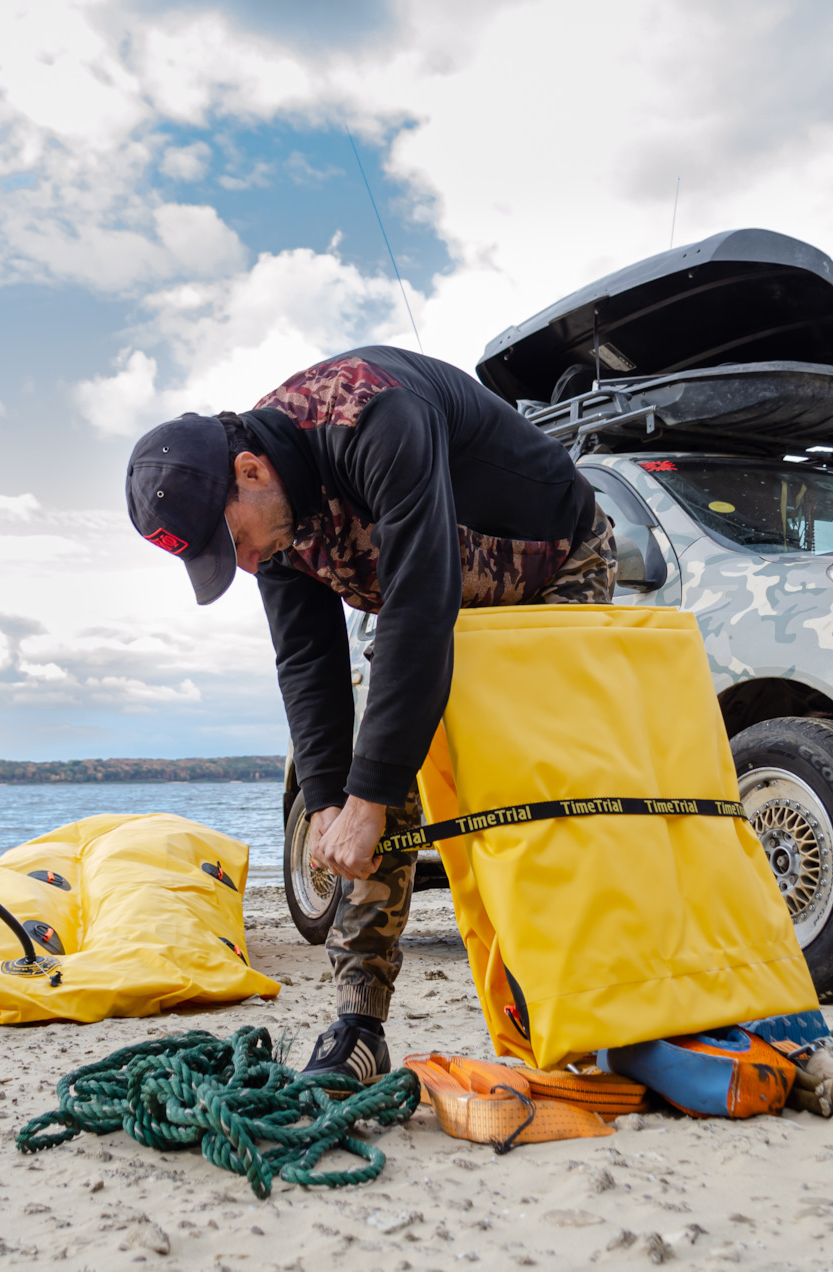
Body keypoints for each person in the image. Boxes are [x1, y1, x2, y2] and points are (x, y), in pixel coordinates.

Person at [125, 345, 615, 1080]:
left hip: (555, 565)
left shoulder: (371, 416)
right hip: (430, 603)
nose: (251, 564)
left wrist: (371, 792)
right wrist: (328, 800)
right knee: (366, 788)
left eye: (237, 544)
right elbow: (307, 662)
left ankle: (581, 995)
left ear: (250, 473)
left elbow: (420, 605)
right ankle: (358, 1023)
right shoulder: (273, 522)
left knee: (526, 781)